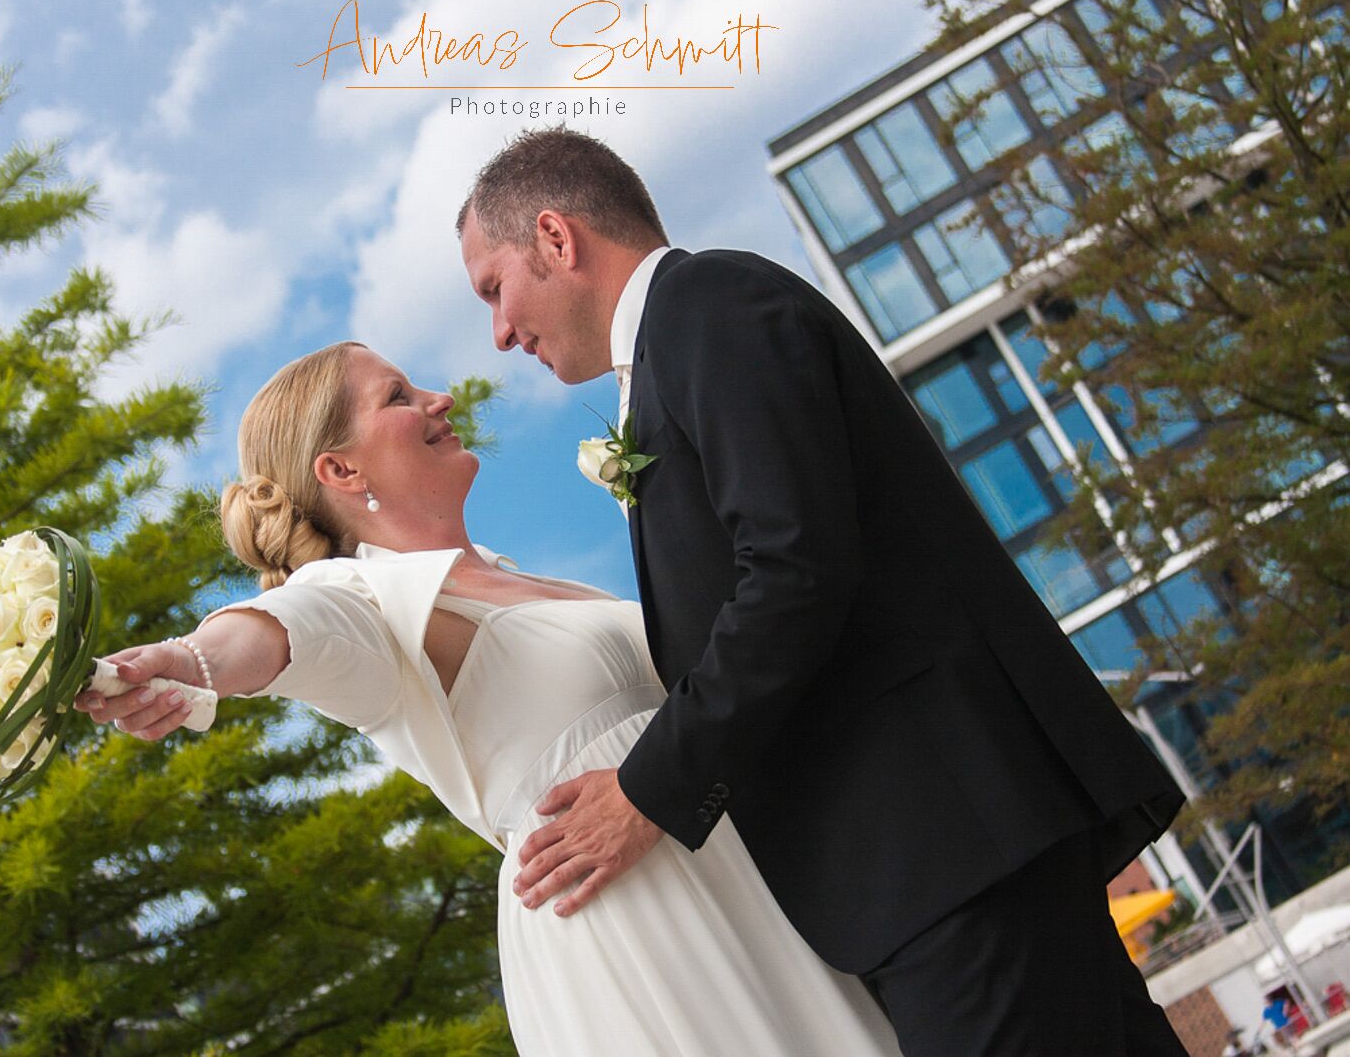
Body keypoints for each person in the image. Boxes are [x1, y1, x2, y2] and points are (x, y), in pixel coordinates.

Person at [457, 125, 1190, 1055]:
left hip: (938, 841)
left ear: (556, 238)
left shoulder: (711, 306)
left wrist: (649, 789)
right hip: (933, 854)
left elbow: (794, 569)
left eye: (494, 288)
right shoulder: (683, 338)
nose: (499, 331)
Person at [74, 341, 903, 1055]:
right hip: (630, 917)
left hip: (741, 874)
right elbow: (284, 630)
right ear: (341, 470)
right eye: (398, 397)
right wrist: (191, 660)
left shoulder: (519, 577)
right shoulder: (362, 599)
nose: (439, 399)